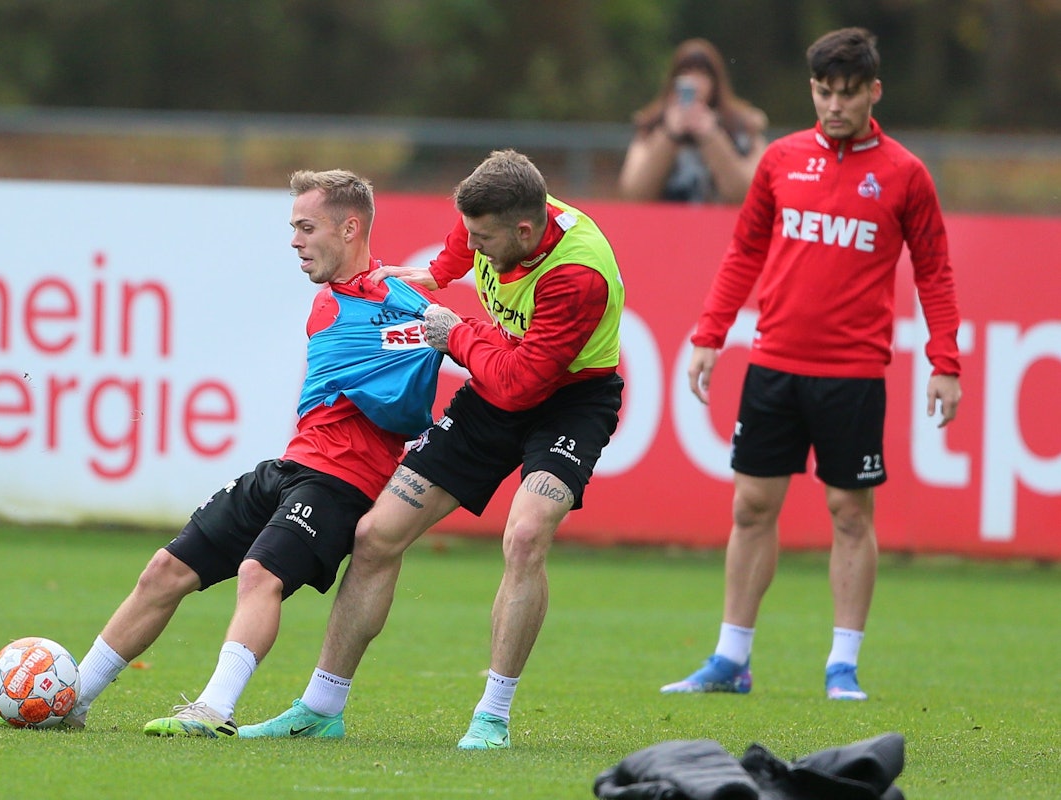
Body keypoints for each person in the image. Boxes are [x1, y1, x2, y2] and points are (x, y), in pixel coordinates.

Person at [0, 169, 445, 736]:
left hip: (342, 481)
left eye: (306, 227)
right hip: (292, 466)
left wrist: (423, 342)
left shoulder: (407, 308)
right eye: (292, 228)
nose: (294, 241)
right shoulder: (333, 304)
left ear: (350, 227)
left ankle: (213, 710)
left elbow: (417, 396)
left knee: (259, 573)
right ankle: (72, 701)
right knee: (164, 570)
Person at [238, 149, 625, 749]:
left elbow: (522, 383)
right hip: (497, 384)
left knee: (525, 535)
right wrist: (440, 270)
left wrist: (457, 332)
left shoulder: (579, 274)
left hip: (568, 400)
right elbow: (464, 240)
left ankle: (492, 716)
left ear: (525, 230)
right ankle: (321, 708)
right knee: (374, 537)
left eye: (484, 241)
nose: (477, 249)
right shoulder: (507, 209)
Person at [661, 27, 961, 701]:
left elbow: (934, 272)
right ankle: (730, 658)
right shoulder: (779, 160)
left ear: (872, 92)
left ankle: (841, 666)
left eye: (847, 94)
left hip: (852, 371)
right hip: (773, 364)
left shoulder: (905, 174)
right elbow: (743, 252)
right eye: (823, 92)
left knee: (849, 512)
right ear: (811, 90)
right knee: (750, 507)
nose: (833, 106)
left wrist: (945, 360)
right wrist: (709, 333)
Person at [618, 37, 768, 205]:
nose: (694, 82)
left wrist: (712, 137)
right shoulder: (652, 126)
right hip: (664, 226)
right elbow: (634, 193)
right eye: (686, 72)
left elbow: (750, 193)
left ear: (716, 81)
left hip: (721, 226)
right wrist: (669, 136)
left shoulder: (741, 127)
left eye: (702, 74)